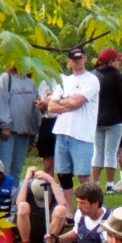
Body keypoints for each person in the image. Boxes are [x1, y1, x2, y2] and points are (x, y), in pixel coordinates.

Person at [42, 46, 101, 215]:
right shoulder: (65, 81)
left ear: (85, 58)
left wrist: (64, 102)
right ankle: (68, 211)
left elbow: (77, 102)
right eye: (73, 58)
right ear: (69, 61)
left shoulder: (91, 80)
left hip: (82, 133)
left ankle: (87, 208)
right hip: (62, 131)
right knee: (63, 174)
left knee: (83, 176)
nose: (77, 61)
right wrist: (67, 102)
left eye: (79, 57)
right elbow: (51, 106)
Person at [90, 48, 122, 193]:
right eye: (117, 60)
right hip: (115, 120)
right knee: (111, 152)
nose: (118, 62)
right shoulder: (118, 77)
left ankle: (95, 183)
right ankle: (109, 185)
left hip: (97, 120)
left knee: (98, 152)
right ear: (110, 61)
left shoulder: (93, 76)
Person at [0, 62, 40, 177]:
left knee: (17, 170)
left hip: (25, 132)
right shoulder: (6, 78)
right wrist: (5, 126)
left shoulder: (32, 81)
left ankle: (15, 194)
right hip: (8, 133)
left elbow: (36, 109)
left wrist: (34, 133)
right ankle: (1, 194)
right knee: (3, 168)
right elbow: (0, 102)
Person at [15, 165, 65, 243]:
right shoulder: (27, 186)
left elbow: (63, 204)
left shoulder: (55, 188)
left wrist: (50, 179)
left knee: (60, 210)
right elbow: (19, 203)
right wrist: (27, 178)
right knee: (22, 206)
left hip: (49, 229)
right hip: (30, 226)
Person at [34, 70, 62, 175]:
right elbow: (42, 108)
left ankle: (58, 185)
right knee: (46, 155)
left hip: (59, 119)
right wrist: (41, 106)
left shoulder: (61, 81)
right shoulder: (42, 84)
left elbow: (62, 102)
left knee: (58, 156)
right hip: (47, 119)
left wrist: (47, 102)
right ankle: (48, 183)